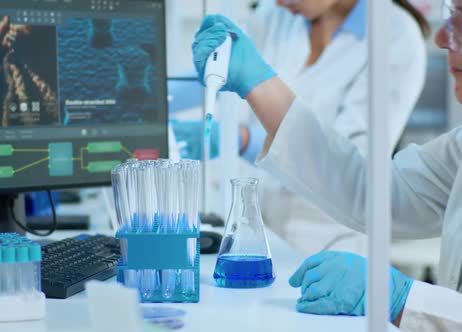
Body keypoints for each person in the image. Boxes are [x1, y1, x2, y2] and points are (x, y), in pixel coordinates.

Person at [191, 2, 462, 330]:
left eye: (460, 19)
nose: (441, 37)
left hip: (324, 242)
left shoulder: (392, 34)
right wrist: (258, 85)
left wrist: (407, 300)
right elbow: (372, 190)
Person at [239, 0, 429, 256]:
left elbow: (352, 163)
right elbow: (212, 85)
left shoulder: (395, 35)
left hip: (329, 238)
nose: (279, 1)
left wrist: (248, 140)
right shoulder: (276, 16)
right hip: (263, 228)